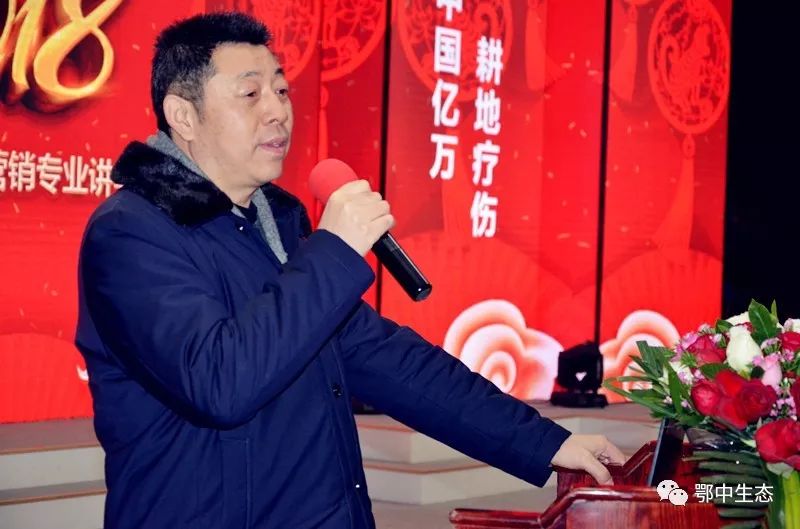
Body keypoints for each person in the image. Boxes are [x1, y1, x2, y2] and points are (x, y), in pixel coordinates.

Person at [75, 11, 625, 529]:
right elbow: (220, 382)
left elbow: (391, 361)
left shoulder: (276, 229)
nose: (277, 111)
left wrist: (546, 443)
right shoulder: (131, 233)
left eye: (282, 90)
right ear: (183, 116)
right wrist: (334, 251)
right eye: (250, 93)